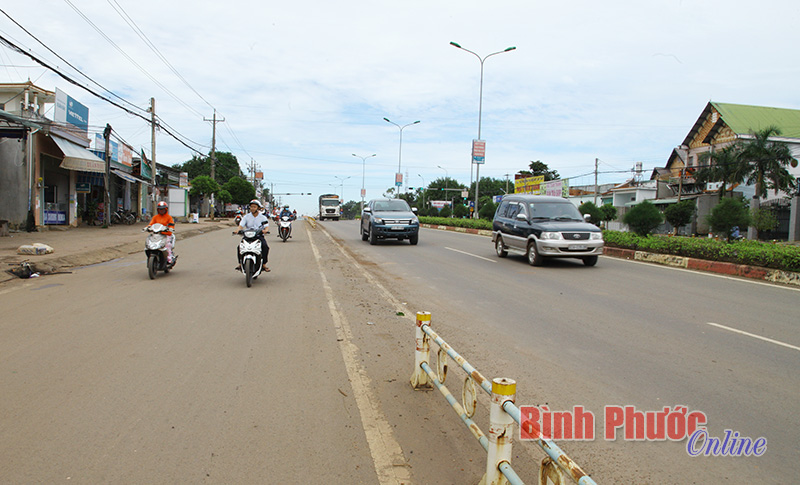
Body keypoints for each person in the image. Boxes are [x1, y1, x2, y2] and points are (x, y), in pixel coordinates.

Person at [233, 199, 270, 273]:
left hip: (258, 236)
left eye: (254, 207)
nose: (252, 208)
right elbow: (241, 225)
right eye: (251, 207)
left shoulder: (263, 217)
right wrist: (237, 230)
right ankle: (240, 263)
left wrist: (265, 230)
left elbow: (266, 226)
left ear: (258, 208)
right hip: (248, 235)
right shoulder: (246, 217)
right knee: (240, 247)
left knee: (265, 247)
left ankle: (264, 264)